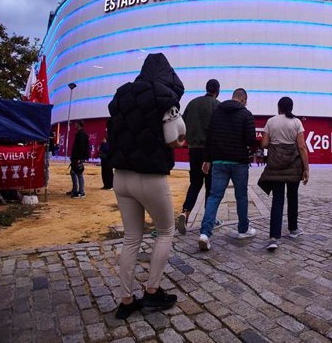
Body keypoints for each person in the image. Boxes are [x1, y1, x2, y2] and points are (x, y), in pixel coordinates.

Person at [107, 53, 185, 319]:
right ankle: (152, 292)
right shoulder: (164, 97)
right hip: (150, 177)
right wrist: (182, 141)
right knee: (165, 231)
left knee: (131, 237)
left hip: (121, 176)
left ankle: (126, 300)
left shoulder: (121, 94)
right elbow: (174, 138)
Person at [198, 88, 257, 251]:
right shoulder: (246, 114)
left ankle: (204, 234)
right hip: (239, 162)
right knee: (241, 196)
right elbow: (251, 140)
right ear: (243, 99)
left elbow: (209, 137)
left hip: (219, 161)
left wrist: (207, 159)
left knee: (214, 197)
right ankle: (243, 229)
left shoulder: (217, 112)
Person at [258, 97, 310, 251]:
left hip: (275, 167)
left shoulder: (270, 122)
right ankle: (293, 229)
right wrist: (306, 168)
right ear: (291, 107)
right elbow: (302, 147)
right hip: (294, 166)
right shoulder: (296, 122)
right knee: (292, 197)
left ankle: (274, 237)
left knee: (277, 200)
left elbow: (265, 144)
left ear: (278, 107)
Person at [176, 79, 220, 235]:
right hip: (210, 152)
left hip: (194, 150)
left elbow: (182, 124)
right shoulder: (217, 105)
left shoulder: (193, 103)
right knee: (210, 186)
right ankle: (209, 219)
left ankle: (185, 213)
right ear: (217, 90)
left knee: (195, 183)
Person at [70, 120, 89, 198]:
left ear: (78, 124)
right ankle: (75, 190)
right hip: (76, 157)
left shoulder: (81, 134)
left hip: (78, 157)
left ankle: (81, 192)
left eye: (75, 124)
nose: (74, 125)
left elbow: (81, 147)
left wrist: (79, 158)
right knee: (73, 172)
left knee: (79, 173)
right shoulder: (80, 133)